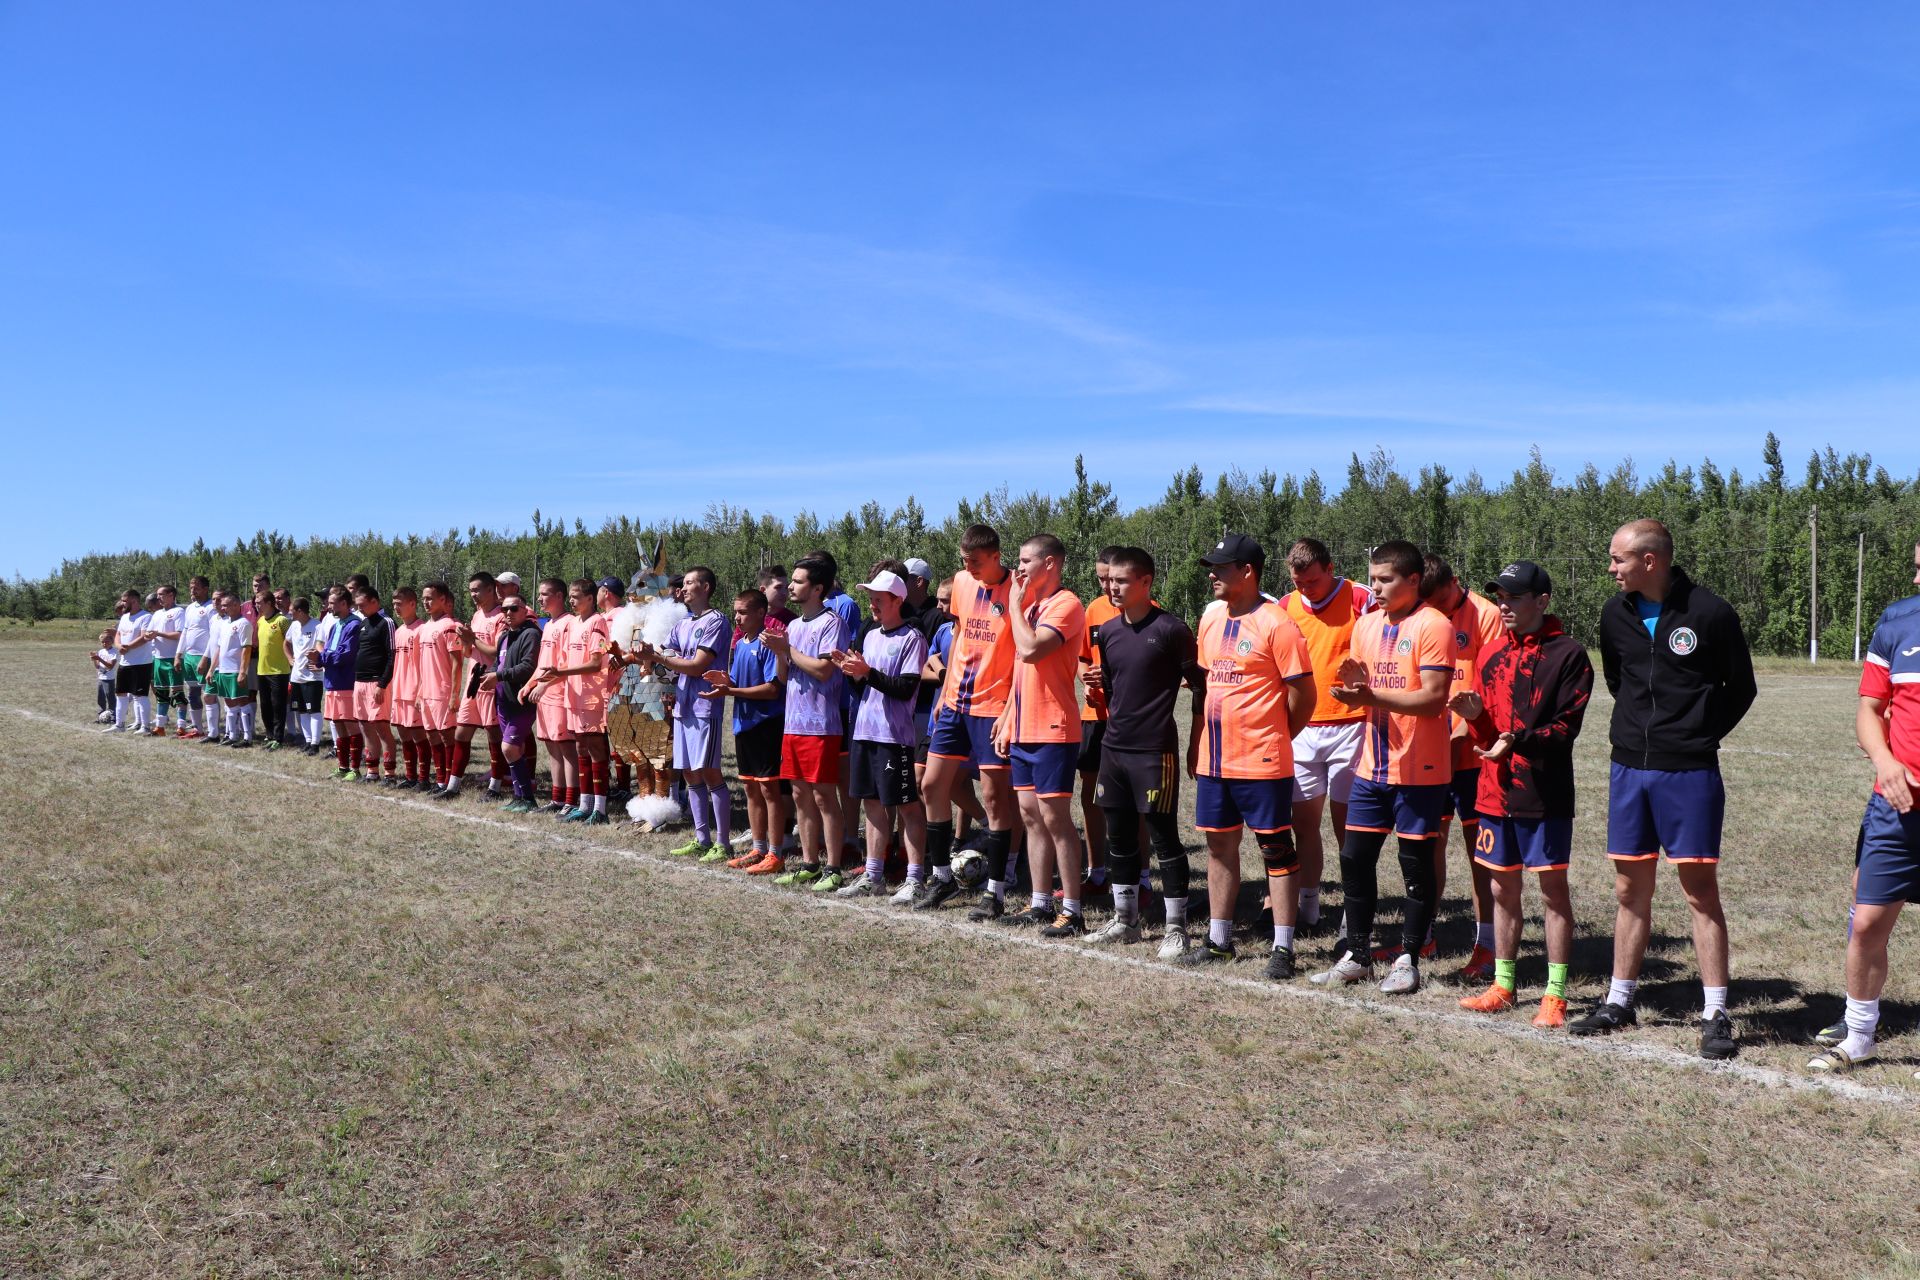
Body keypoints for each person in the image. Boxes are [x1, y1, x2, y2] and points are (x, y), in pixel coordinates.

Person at [1571, 519, 1756, 1061]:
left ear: (1650, 561)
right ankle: (1619, 1000)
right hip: (1630, 768)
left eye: (1617, 559)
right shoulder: (1614, 613)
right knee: (1630, 892)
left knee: (1700, 892)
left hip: (1689, 773)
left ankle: (1716, 1012)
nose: (1611, 568)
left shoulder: (1710, 612)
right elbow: (1619, 680)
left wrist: (1695, 734)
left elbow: (1740, 688)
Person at [1448, 562, 1592, 1028]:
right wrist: (1476, 717)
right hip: (1493, 792)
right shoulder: (1489, 654)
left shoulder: (1569, 655)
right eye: (1500, 596)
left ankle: (1555, 995)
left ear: (1543, 601)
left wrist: (1518, 739)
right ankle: (1504, 986)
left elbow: (1566, 729)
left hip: (1543, 793)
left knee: (1552, 891)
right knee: (1501, 889)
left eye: (1514, 597)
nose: (1504, 605)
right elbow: (1492, 735)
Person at [1312, 540, 1453, 995]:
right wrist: (1353, 687)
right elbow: (1364, 685)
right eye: (1372, 578)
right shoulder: (1366, 626)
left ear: (1413, 581)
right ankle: (1357, 954)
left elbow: (1432, 699)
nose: (1375, 587)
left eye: (1386, 579)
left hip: (1420, 770)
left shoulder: (1434, 625)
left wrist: (1371, 696)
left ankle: (1409, 958)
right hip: (1371, 768)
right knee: (1354, 859)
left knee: (1414, 864)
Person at [1180, 534, 1316, 977]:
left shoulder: (1277, 623)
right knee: (1218, 846)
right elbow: (1206, 689)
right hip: (1215, 761)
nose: (1213, 574)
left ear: (1247, 572)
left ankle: (1283, 948)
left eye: (1221, 567)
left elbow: (1303, 695)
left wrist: (1275, 735)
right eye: (1212, 567)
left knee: (1275, 849)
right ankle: (1219, 940)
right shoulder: (1212, 619)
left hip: (1261, 760)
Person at [1808, 544, 1920, 1072]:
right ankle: (1858, 1035)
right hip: (1895, 806)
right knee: (1868, 922)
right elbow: (1868, 711)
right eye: (1917, 566)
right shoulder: (1897, 624)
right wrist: (1885, 761)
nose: (1919, 576)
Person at [1084, 547, 1202, 957]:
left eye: (1121, 581)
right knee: (1118, 838)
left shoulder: (1172, 629)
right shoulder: (1108, 632)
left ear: (1146, 582)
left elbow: (1198, 686)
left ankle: (1176, 928)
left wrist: (1195, 742)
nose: (1112, 588)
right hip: (1113, 749)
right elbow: (1114, 692)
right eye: (1109, 581)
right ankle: (1126, 920)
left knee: (1163, 838)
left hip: (1155, 752)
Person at [990, 534, 1089, 935]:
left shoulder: (1066, 605)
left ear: (1050, 563)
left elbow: (1031, 649)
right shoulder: (1030, 606)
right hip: (1025, 727)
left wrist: (1014, 604)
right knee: (1030, 817)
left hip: (1054, 728)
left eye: (1026, 561)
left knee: (1055, 818)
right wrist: (1008, 714)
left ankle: (1074, 908)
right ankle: (1040, 902)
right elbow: (1020, 668)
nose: (1019, 569)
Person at [919, 525, 1019, 918]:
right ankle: (942, 876)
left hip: (993, 708)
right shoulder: (962, 582)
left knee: (995, 799)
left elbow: (1023, 656)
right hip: (955, 704)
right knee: (932, 784)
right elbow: (960, 634)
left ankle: (995, 891)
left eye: (975, 561)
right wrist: (945, 692)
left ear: (995, 556)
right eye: (964, 561)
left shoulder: (1017, 591)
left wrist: (1011, 707)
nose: (969, 568)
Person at [1278, 539, 1374, 934]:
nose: (1306, 589)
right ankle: (1309, 906)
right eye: (1299, 583)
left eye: (1313, 581)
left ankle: (1354, 910)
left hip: (1351, 725)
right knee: (1304, 823)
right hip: (1302, 726)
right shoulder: (1285, 606)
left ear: (1331, 567)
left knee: (1347, 826)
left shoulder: (1360, 598)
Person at [1420, 553, 1508, 974]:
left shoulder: (1486, 616)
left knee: (1480, 852)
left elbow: (1494, 682)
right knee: (1427, 842)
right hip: (1429, 755)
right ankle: (1423, 936)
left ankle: (1486, 943)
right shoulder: (1420, 615)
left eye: (1440, 601)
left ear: (1456, 582)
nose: (1435, 611)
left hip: (1472, 756)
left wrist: (1466, 728)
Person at [834, 569, 930, 900]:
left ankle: (915, 880)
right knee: (872, 804)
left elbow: (905, 689)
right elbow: (863, 687)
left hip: (894, 737)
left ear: (897, 600)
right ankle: (873, 876)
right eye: (870, 598)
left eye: (878, 599)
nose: (872, 605)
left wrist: (867, 672)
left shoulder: (912, 639)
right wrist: (850, 671)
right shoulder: (871, 634)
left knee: (906, 806)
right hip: (864, 731)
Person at [764, 556, 850, 888]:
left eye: (798, 582)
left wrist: (788, 649)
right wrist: (779, 653)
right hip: (794, 723)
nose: (791, 587)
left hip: (822, 725)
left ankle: (833, 867)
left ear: (817, 588)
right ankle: (810, 862)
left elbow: (825, 671)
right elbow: (785, 677)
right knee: (799, 795)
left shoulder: (833, 623)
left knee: (824, 796)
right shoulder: (794, 626)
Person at [640, 567, 731, 853]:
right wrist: (648, 659)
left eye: (690, 583)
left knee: (710, 772)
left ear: (706, 587)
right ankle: (702, 839)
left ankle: (723, 842)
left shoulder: (716, 621)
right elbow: (667, 662)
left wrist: (658, 658)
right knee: (690, 773)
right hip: (683, 707)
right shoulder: (683, 623)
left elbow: (696, 665)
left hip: (705, 706)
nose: (684, 588)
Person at [714, 588, 787, 873]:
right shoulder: (741, 643)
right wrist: (726, 679)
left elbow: (772, 689)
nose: (737, 617)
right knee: (750, 789)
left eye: (743, 611)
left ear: (761, 613)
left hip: (766, 724)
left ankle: (776, 853)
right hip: (743, 724)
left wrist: (730, 689)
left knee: (770, 790)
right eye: (736, 611)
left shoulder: (769, 644)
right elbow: (742, 681)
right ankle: (758, 849)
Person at [1075, 546, 1121, 902]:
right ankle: (1096, 871)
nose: (1107, 586)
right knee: (1090, 795)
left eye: (1111, 578)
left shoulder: (1148, 612)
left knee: (1130, 801)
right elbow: (1082, 659)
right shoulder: (1093, 609)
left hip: (1128, 720)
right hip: (1093, 718)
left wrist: (1110, 679)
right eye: (1101, 579)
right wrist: (1087, 679)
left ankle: (1140, 877)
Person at [550, 578, 613, 823]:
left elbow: (597, 662)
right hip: (573, 695)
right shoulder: (573, 623)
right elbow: (566, 660)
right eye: (571, 597)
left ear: (590, 598)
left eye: (576, 597)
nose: (571, 601)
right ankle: (585, 805)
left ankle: (601, 809)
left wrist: (562, 673)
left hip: (591, 697)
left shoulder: (597, 622)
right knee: (580, 748)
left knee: (596, 749)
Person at [450, 572, 510, 799]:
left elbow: (496, 652)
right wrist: (466, 640)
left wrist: (472, 638)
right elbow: (468, 652)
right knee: (462, 731)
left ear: (490, 589)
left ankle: (495, 787)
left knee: (493, 734)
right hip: (473, 681)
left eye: (477, 590)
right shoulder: (476, 616)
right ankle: (452, 785)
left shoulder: (501, 617)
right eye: (470, 591)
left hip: (490, 680)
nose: (473, 595)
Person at [525, 579, 580, 816]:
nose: (540, 598)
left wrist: (545, 685)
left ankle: (572, 800)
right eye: (539, 594)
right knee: (551, 749)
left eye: (545, 594)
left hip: (560, 695)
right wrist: (530, 684)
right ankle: (557, 799)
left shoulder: (570, 623)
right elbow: (543, 663)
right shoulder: (548, 625)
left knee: (566, 748)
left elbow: (567, 664)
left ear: (560, 595)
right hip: (544, 696)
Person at [490, 594, 545, 812]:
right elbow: (497, 664)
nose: (508, 613)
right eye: (504, 609)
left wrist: (499, 676)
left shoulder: (531, 634)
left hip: (522, 701)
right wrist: (488, 676)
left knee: (509, 748)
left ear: (525, 610)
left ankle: (528, 798)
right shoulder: (504, 637)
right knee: (514, 750)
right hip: (503, 701)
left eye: (513, 609)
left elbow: (528, 667)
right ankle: (520, 796)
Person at [419, 582, 468, 795]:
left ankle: (450, 783)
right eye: (424, 598)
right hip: (427, 692)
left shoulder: (449, 626)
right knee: (431, 736)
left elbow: (457, 663)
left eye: (430, 598)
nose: (426, 602)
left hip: (443, 692)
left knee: (447, 736)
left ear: (443, 600)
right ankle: (440, 782)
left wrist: (455, 694)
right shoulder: (424, 627)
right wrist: (420, 690)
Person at [350, 586, 396, 782]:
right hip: (360, 682)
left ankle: (390, 773)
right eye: (357, 605)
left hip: (377, 683)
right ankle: (372, 771)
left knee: (381, 727)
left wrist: (382, 684)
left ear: (374, 602)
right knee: (364, 725)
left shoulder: (387, 623)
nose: (359, 609)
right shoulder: (363, 624)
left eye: (362, 605)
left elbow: (392, 655)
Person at [318, 588, 364, 777]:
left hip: (346, 682)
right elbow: (329, 650)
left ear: (344, 604)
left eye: (332, 603)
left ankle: (355, 769)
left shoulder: (354, 625)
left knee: (350, 724)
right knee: (338, 724)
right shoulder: (335, 625)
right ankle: (343, 766)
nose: (328, 607)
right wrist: (320, 657)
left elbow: (345, 655)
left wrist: (322, 658)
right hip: (332, 682)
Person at [204, 591, 257, 746]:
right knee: (230, 703)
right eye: (222, 605)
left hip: (235, 670)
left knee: (242, 702)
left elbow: (246, 649)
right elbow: (219, 649)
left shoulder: (243, 624)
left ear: (236, 605)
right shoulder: (225, 623)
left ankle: (247, 737)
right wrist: (212, 669)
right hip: (223, 670)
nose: (223, 608)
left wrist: (242, 672)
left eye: (226, 605)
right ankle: (232, 735)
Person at [385, 587, 426, 786]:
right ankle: (410, 777)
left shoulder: (422, 629)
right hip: (399, 691)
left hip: (414, 691)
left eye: (399, 603)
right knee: (403, 734)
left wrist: (421, 690)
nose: (396, 608)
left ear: (412, 604)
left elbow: (425, 665)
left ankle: (424, 778)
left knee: (418, 735)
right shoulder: (398, 631)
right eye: (394, 604)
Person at [107, 589, 155, 735]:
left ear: (134, 601)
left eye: (124, 600)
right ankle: (119, 724)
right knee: (120, 693)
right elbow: (118, 635)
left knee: (140, 695)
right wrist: (118, 646)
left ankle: (145, 727)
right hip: (125, 662)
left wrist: (128, 647)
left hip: (141, 663)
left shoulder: (146, 617)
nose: (122, 603)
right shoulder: (124, 617)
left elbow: (145, 637)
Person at [146, 584, 190, 737]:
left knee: (177, 693)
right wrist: (148, 635)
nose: (158, 597)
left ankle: (182, 726)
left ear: (171, 595)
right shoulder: (157, 614)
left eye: (161, 594)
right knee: (161, 694)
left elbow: (179, 635)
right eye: (158, 595)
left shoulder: (178, 612)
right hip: (158, 658)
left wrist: (158, 633)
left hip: (173, 658)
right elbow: (150, 632)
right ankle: (160, 727)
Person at [180, 576, 219, 740]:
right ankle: (198, 729)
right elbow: (185, 631)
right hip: (189, 657)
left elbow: (214, 636)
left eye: (196, 587)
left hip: (204, 657)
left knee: (209, 695)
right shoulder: (189, 608)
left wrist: (205, 657)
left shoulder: (211, 608)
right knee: (192, 694)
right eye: (191, 587)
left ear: (205, 589)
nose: (192, 590)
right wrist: (178, 654)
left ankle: (213, 731)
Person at [285, 596, 325, 755]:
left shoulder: (317, 626)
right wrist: (289, 658)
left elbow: (323, 646)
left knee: (313, 710)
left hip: (312, 676)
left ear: (300, 611)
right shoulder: (294, 625)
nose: (289, 615)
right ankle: (308, 741)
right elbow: (286, 643)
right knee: (300, 710)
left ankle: (315, 743)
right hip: (297, 676)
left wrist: (320, 662)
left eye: (291, 611)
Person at [253, 588, 291, 750]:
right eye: (255, 603)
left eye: (259, 603)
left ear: (269, 603)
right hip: (262, 670)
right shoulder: (260, 620)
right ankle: (269, 735)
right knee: (265, 705)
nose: (256, 606)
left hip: (279, 671)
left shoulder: (282, 620)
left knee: (278, 705)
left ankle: (278, 738)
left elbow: (290, 642)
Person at [92, 630, 118, 722]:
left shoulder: (114, 652)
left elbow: (110, 666)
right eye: (102, 642)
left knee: (110, 697)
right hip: (101, 678)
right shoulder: (101, 651)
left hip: (109, 679)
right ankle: (101, 716)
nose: (104, 643)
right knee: (101, 698)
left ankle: (113, 716)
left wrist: (99, 658)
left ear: (112, 641)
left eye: (106, 641)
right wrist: (95, 659)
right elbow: (97, 666)